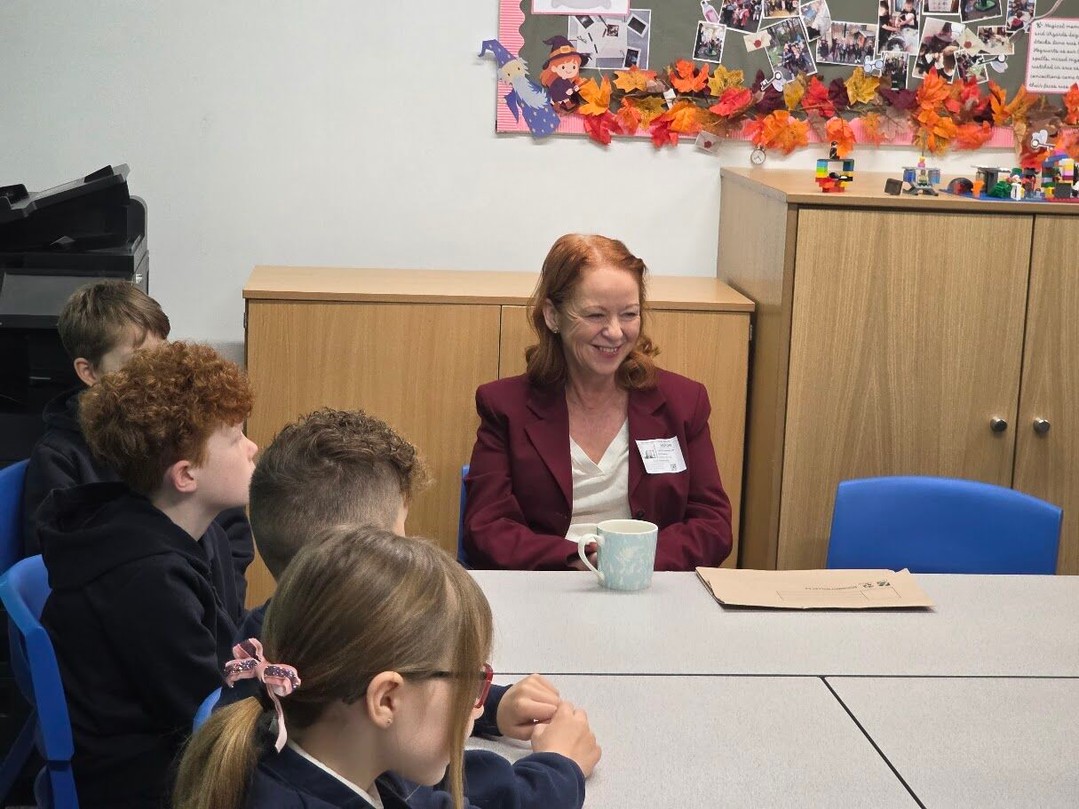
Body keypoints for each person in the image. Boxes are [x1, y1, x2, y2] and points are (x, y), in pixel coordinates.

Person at [229, 408, 596, 808]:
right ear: (360, 564)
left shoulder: (275, 672)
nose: (409, 556)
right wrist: (558, 769)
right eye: (398, 542)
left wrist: (489, 705)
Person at [174, 527, 598, 809]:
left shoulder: (310, 748)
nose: (476, 706)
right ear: (387, 699)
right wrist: (560, 768)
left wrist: (554, 769)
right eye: (469, 683)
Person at [36, 341, 258, 809]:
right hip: (143, 777)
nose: (253, 447)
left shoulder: (199, 533)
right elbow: (207, 716)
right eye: (236, 438)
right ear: (185, 476)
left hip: (173, 740)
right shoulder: (147, 579)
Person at [464, 234, 733, 571]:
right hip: (546, 587)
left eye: (629, 314)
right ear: (553, 316)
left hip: (651, 585)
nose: (615, 332)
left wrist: (633, 560)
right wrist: (578, 559)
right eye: (595, 315)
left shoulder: (683, 403)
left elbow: (712, 525)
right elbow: (486, 529)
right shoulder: (505, 406)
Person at [21, 279, 254, 605]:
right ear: (88, 372)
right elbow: (57, 566)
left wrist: (219, 606)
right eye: (138, 362)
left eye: (163, 357)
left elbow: (231, 530)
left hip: (201, 606)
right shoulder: (60, 457)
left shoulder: (179, 432)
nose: (156, 374)